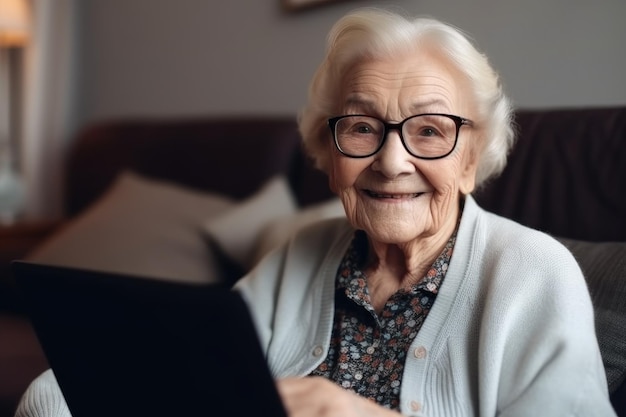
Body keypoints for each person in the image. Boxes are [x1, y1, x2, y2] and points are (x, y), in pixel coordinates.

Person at [16, 7, 615, 417]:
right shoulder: (297, 260)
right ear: (328, 155)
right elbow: (104, 381)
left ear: (471, 158)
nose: (391, 161)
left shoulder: (534, 273)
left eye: (429, 131)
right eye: (361, 128)